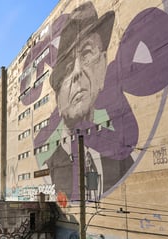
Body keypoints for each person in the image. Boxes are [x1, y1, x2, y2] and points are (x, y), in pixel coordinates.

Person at [43, 2, 135, 200]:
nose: (77, 72)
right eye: (67, 68)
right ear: (58, 97)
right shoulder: (51, 166)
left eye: (86, 54)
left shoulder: (124, 158)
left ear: (102, 67)